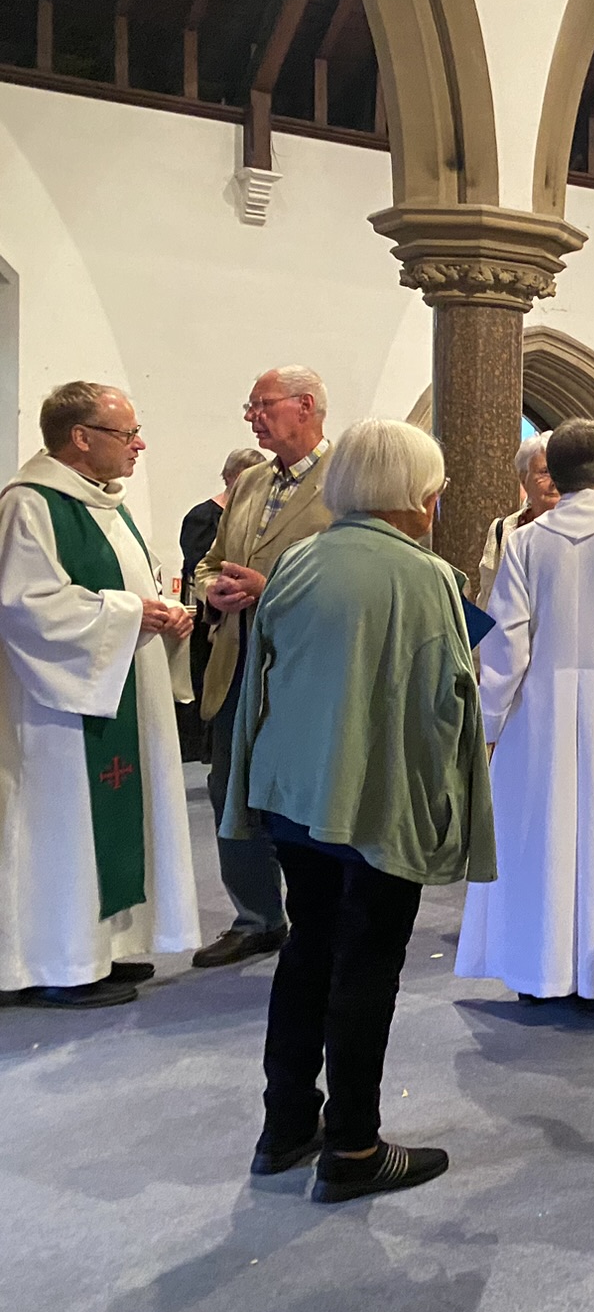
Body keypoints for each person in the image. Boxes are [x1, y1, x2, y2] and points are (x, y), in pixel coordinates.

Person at [223, 419, 494, 1202]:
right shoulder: (426, 575)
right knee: (368, 963)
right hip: (377, 801)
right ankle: (353, 1146)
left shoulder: (299, 560)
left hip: (293, 796)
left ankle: (284, 1127)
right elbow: (450, 705)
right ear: (416, 494)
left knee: (308, 948)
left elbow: (262, 680)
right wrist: (454, 809)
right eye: (435, 488)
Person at [456, 419, 594, 1006]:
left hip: (542, 710)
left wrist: (490, 723)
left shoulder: (528, 541)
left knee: (543, 832)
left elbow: (506, 642)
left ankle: (543, 969)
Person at [0, 382, 198, 1008]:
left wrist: (163, 615)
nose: (138, 444)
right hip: (57, 711)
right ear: (80, 438)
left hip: (116, 689)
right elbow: (25, 607)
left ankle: (101, 951)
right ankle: (53, 963)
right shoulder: (30, 505)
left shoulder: (106, 506)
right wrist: (128, 613)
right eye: (127, 433)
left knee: (110, 822)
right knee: (61, 827)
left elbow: (127, 594)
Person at [190, 365, 332, 968]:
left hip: (306, 666)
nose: (252, 417)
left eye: (261, 405)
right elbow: (210, 563)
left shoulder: (347, 479)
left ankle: (319, 917)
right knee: (230, 794)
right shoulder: (249, 482)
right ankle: (256, 917)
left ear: (305, 406)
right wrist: (209, 591)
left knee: (304, 796)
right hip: (237, 661)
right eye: (249, 408)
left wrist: (269, 587)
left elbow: (359, 576)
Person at [177, 446, 268, 759]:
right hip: (214, 619)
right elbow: (201, 563)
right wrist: (218, 586)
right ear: (230, 476)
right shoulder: (204, 517)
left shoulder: (257, 513)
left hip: (249, 615)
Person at [474, 432, 555, 610]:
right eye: (545, 472)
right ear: (523, 479)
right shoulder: (503, 529)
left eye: (560, 472)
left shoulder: (579, 529)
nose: (554, 482)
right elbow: (488, 598)